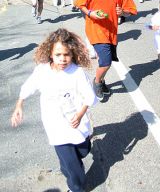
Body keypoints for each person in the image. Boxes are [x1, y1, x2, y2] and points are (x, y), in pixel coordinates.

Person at [11, 28, 97, 192]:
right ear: (50, 53)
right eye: (58, 55)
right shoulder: (42, 70)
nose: (63, 59)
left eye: (67, 55)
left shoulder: (77, 73)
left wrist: (79, 115)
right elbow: (29, 86)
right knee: (72, 164)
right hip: (55, 125)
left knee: (83, 151)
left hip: (76, 123)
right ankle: (76, 187)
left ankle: (68, 168)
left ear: (72, 54)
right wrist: (19, 105)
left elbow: (89, 97)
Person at [74, 0, 137, 101]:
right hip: (95, 29)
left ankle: (101, 81)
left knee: (106, 61)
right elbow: (79, 3)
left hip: (111, 31)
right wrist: (90, 13)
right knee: (106, 62)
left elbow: (132, 11)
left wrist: (123, 12)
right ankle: (97, 83)